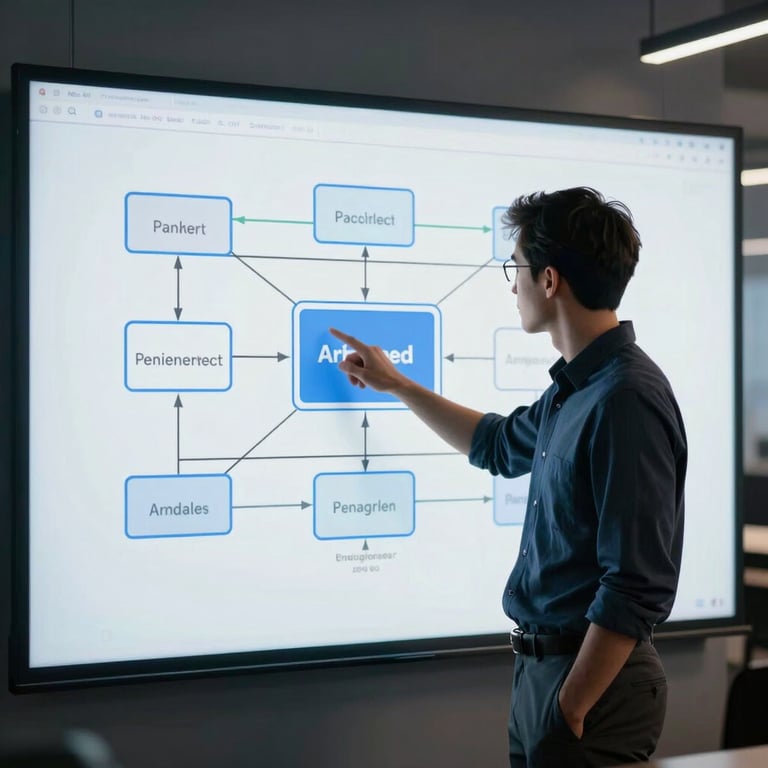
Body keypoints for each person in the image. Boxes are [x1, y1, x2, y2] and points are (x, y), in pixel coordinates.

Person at [330, 186, 686, 768]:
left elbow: (636, 584)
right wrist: (399, 386)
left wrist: (570, 704)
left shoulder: (626, 399)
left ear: (549, 280)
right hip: (545, 677)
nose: (513, 284)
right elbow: (496, 444)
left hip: (590, 687)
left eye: (515, 268)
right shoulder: (575, 390)